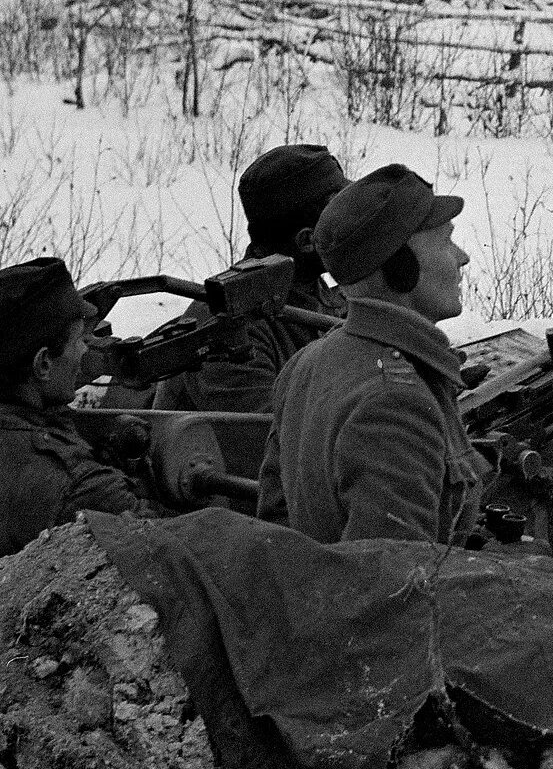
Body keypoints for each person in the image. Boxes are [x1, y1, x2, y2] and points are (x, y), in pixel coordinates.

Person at [258, 163, 487, 545]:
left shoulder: (308, 361)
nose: (462, 257)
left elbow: (278, 527)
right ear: (401, 267)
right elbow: (395, 586)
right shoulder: (395, 402)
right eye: (446, 241)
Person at [0, 257, 150, 575]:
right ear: (43, 364)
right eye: (78, 340)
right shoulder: (76, 486)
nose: (85, 351)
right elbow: (168, 555)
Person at [154, 143, 352, 418]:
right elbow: (270, 439)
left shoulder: (319, 292)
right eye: (344, 218)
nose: (358, 227)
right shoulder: (227, 329)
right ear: (307, 241)